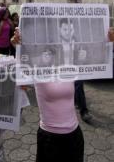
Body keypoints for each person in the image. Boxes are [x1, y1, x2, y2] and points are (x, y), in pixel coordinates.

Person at [11, 27, 114, 162]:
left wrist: (110, 42)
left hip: (74, 136)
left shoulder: (68, 66)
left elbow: (97, 60)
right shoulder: (36, 68)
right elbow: (20, 79)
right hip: (49, 139)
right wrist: (17, 46)